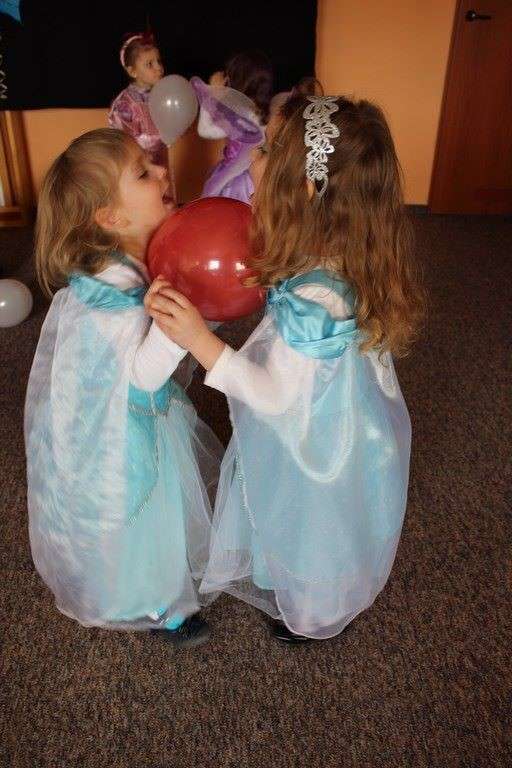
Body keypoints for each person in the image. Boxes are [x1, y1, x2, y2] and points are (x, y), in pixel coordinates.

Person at [145, 94, 425, 643]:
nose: (253, 157)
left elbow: (274, 397)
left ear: (306, 190)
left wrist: (200, 340)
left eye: (269, 151)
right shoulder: (336, 252)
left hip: (313, 431)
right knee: (314, 506)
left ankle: (316, 612)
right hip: (336, 409)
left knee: (309, 511)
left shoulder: (317, 297)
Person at [25, 128, 223, 647]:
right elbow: (139, 377)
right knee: (140, 504)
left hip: (134, 411)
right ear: (111, 218)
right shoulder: (110, 297)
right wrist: (179, 329)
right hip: (119, 426)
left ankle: (157, 588)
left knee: (156, 498)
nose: (161, 170)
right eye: (142, 171)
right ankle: (151, 599)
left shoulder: (138, 259)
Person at [190, 50, 273, 203]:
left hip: (236, 181)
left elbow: (205, 130)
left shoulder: (237, 115)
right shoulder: (268, 114)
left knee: (228, 211)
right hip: (260, 177)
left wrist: (212, 93)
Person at [108, 32, 169, 172]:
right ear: (132, 72)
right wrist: (163, 137)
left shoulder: (162, 96)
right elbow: (124, 142)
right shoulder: (124, 103)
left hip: (160, 165)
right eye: (149, 64)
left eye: (159, 61)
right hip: (137, 169)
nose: (159, 68)